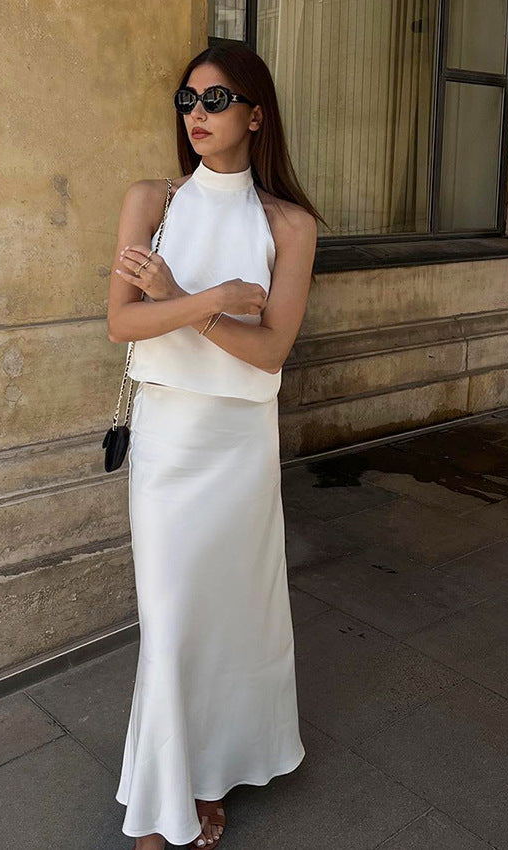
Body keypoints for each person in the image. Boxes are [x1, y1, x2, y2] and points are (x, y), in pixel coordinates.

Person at [106, 41, 323, 850]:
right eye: (187, 101)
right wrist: (209, 299)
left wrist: (188, 304)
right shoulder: (151, 201)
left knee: (228, 618)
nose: (197, 114)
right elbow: (122, 321)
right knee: (168, 621)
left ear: (256, 114)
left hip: (239, 446)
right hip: (169, 442)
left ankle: (208, 775)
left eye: (216, 99)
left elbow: (270, 350)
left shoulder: (290, 225)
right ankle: (158, 809)